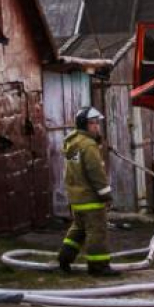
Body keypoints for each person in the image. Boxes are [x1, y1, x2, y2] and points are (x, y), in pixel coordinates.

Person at [56, 107, 118, 277]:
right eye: (93, 123)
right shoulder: (88, 145)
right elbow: (96, 173)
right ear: (84, 124)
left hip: (77, 198)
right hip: (91, 199)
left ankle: (64, 259)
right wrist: (106, 195)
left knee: (78, 230)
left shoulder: (72, 142)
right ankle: (99, 267)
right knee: (97, 232)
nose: (97, 126)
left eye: (97, 123)